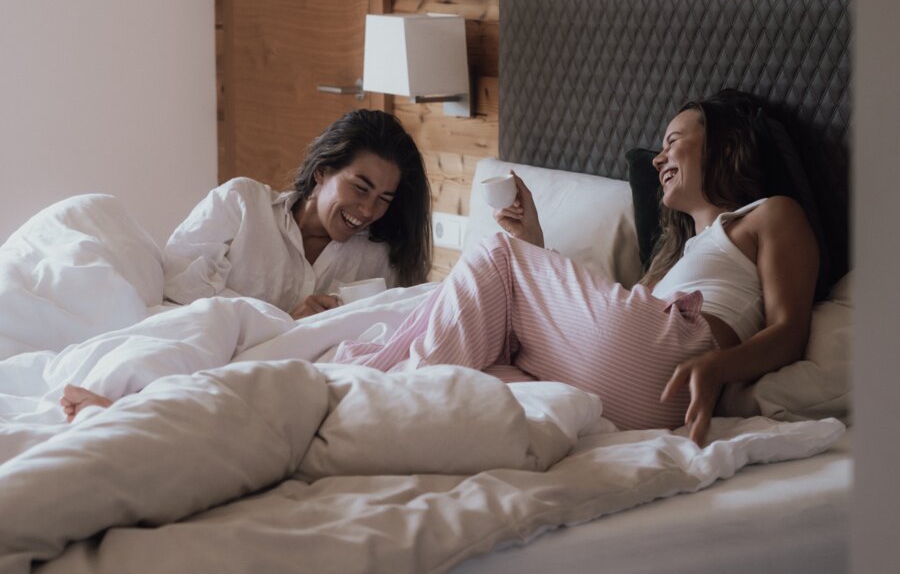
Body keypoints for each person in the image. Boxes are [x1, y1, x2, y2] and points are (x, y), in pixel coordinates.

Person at [331, 90, 819, 446]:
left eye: (673, 141)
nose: (658, 159)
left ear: (723, 144)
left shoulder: (770, 213)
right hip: (642, 394)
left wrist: (718, 366)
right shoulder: (679, 257)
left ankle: (378, 395)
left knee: (498, 254)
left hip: (682, 362)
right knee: (494, 366)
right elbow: (593, 329)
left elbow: (791, 329)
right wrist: (536, 244)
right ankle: (379, 387)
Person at [163, 109, 432, 318]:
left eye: (383, 199)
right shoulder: (242, 204)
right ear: (322, 171)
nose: (368, 210)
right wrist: (282, 321)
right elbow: (178, 286)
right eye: (361, 188)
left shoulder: (378, 260)